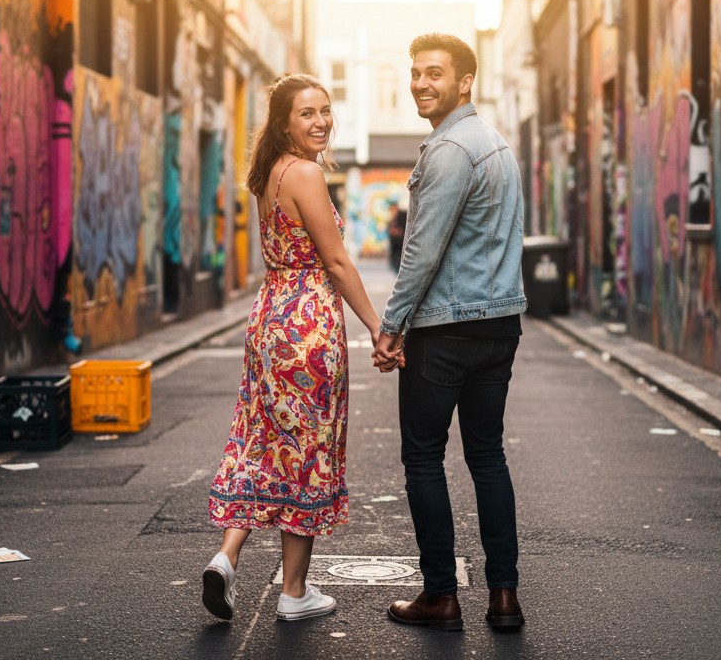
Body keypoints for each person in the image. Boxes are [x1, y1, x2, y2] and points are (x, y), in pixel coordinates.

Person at [203, 74, 382, 622]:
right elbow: (334, 262)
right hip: (306, 326)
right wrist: (377, 325)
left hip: (269, 320)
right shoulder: (305, 173)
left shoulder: (270, 173)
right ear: (285, 123)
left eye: (326, 111)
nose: (322, 121)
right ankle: (295, 593)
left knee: (262, 441)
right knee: (305, 450)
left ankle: (227, 557)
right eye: (307, 113)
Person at [372, 33, 527, 632]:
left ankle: (440, 594)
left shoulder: (448, 150)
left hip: (445, 330)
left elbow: (423, 252)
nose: (420, 83)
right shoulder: (497, 145)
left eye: (434, 73)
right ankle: (504, 596)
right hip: (500, 325)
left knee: (423, 458)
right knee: (487, 456)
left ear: (465, 81)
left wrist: (391, 327)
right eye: (415, 73)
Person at [386, 197, 408, 273]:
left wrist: (397, 232)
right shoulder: (392, 220)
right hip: (395, 251)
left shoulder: (403, 216)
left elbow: (406, 231)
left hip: (402, 249)